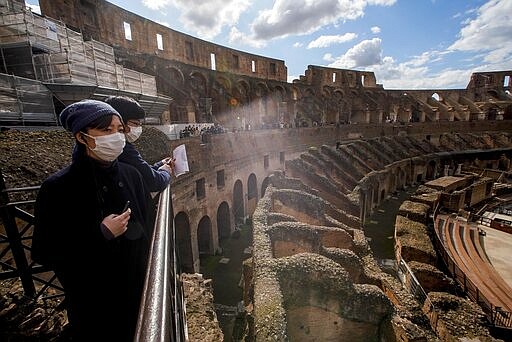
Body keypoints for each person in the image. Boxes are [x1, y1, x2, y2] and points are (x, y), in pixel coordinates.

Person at [32, 99, 152, 341]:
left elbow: (149, 227)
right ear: (82, 136)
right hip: (93, 303)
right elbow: (44, 253)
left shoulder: (132, 175)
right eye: (106, 130)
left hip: (139, 292)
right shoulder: (57, 188)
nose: (116, 136)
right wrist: (101, 234)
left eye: (119, 130)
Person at [104, 96, 173, 193]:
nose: (139, 128)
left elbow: (140, 170)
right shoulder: (120, 148)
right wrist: (166, 171)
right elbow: (153, 182)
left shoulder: (119, 145)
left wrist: (160, 164)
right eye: (135, 124)